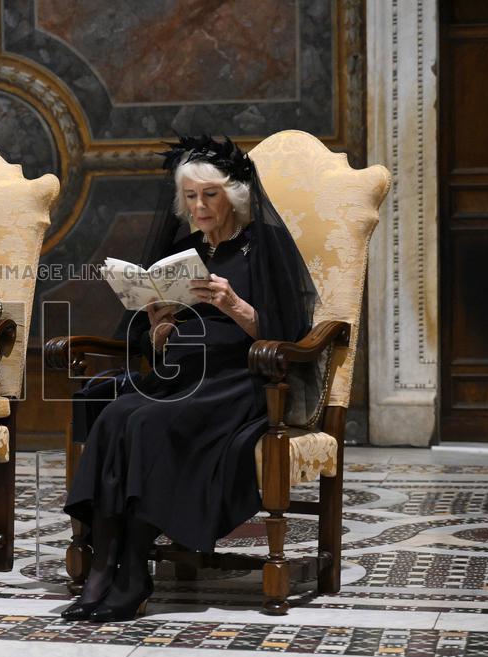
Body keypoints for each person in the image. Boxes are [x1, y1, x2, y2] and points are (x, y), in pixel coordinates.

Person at [62, 135, 318, 622]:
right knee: (115, 415)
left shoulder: (266, 246)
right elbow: (156, 333)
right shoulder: (184, 250)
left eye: (210, 195)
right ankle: (103, 567)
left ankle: (134, 570)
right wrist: (159, 328)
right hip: (182, 377)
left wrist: (235, 305)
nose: (199, 206)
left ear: (235, 196)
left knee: (143, 425)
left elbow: (290, 337)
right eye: (191, 197)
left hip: (240, 383)